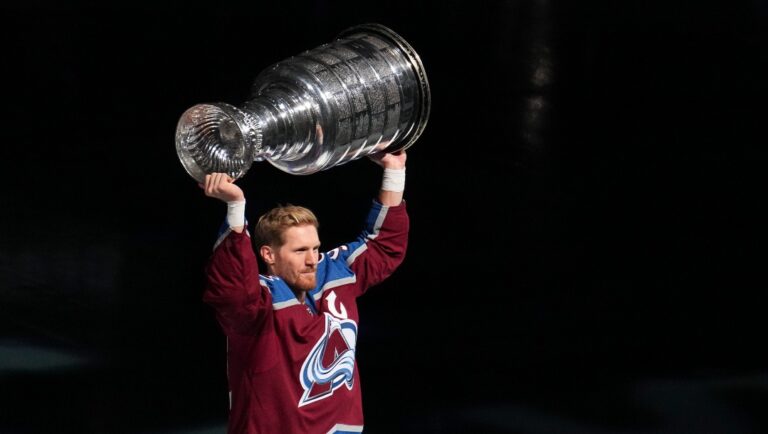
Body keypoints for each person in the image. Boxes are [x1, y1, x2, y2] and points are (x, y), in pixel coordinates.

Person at [199, 150, 409, 434]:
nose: (312, 259)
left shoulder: (334, 273)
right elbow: (230, 289)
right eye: (300, 251)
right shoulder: (258, 304)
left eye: (315, 247)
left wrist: (394, 169)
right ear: (268, 255)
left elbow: (384, 245)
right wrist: (236, 205)